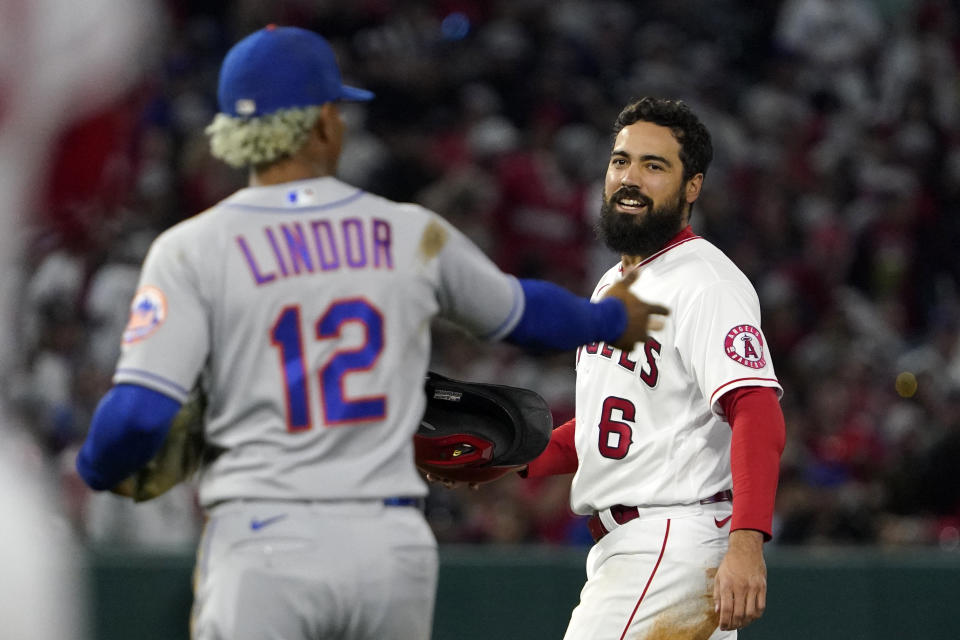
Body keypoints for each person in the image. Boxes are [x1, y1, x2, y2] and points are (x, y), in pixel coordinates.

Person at [74, 25, 668, 640]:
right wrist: (611, 318)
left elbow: (137, 418)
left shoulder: (191, 249)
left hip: (264, 542)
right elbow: (525, 314)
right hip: (390, 549)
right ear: (325, 122)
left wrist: (96, 467)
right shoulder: (407, 232)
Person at [521, 97, 786, 638]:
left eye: (654, 165)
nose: (630, 178)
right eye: (621, 161)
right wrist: (515, 454)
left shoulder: (706, 281)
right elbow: (607, 428)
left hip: (668, 543)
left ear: (693, 187)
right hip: (646, 546)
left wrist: (748, 541)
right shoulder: (614, 284)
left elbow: (756, 411)